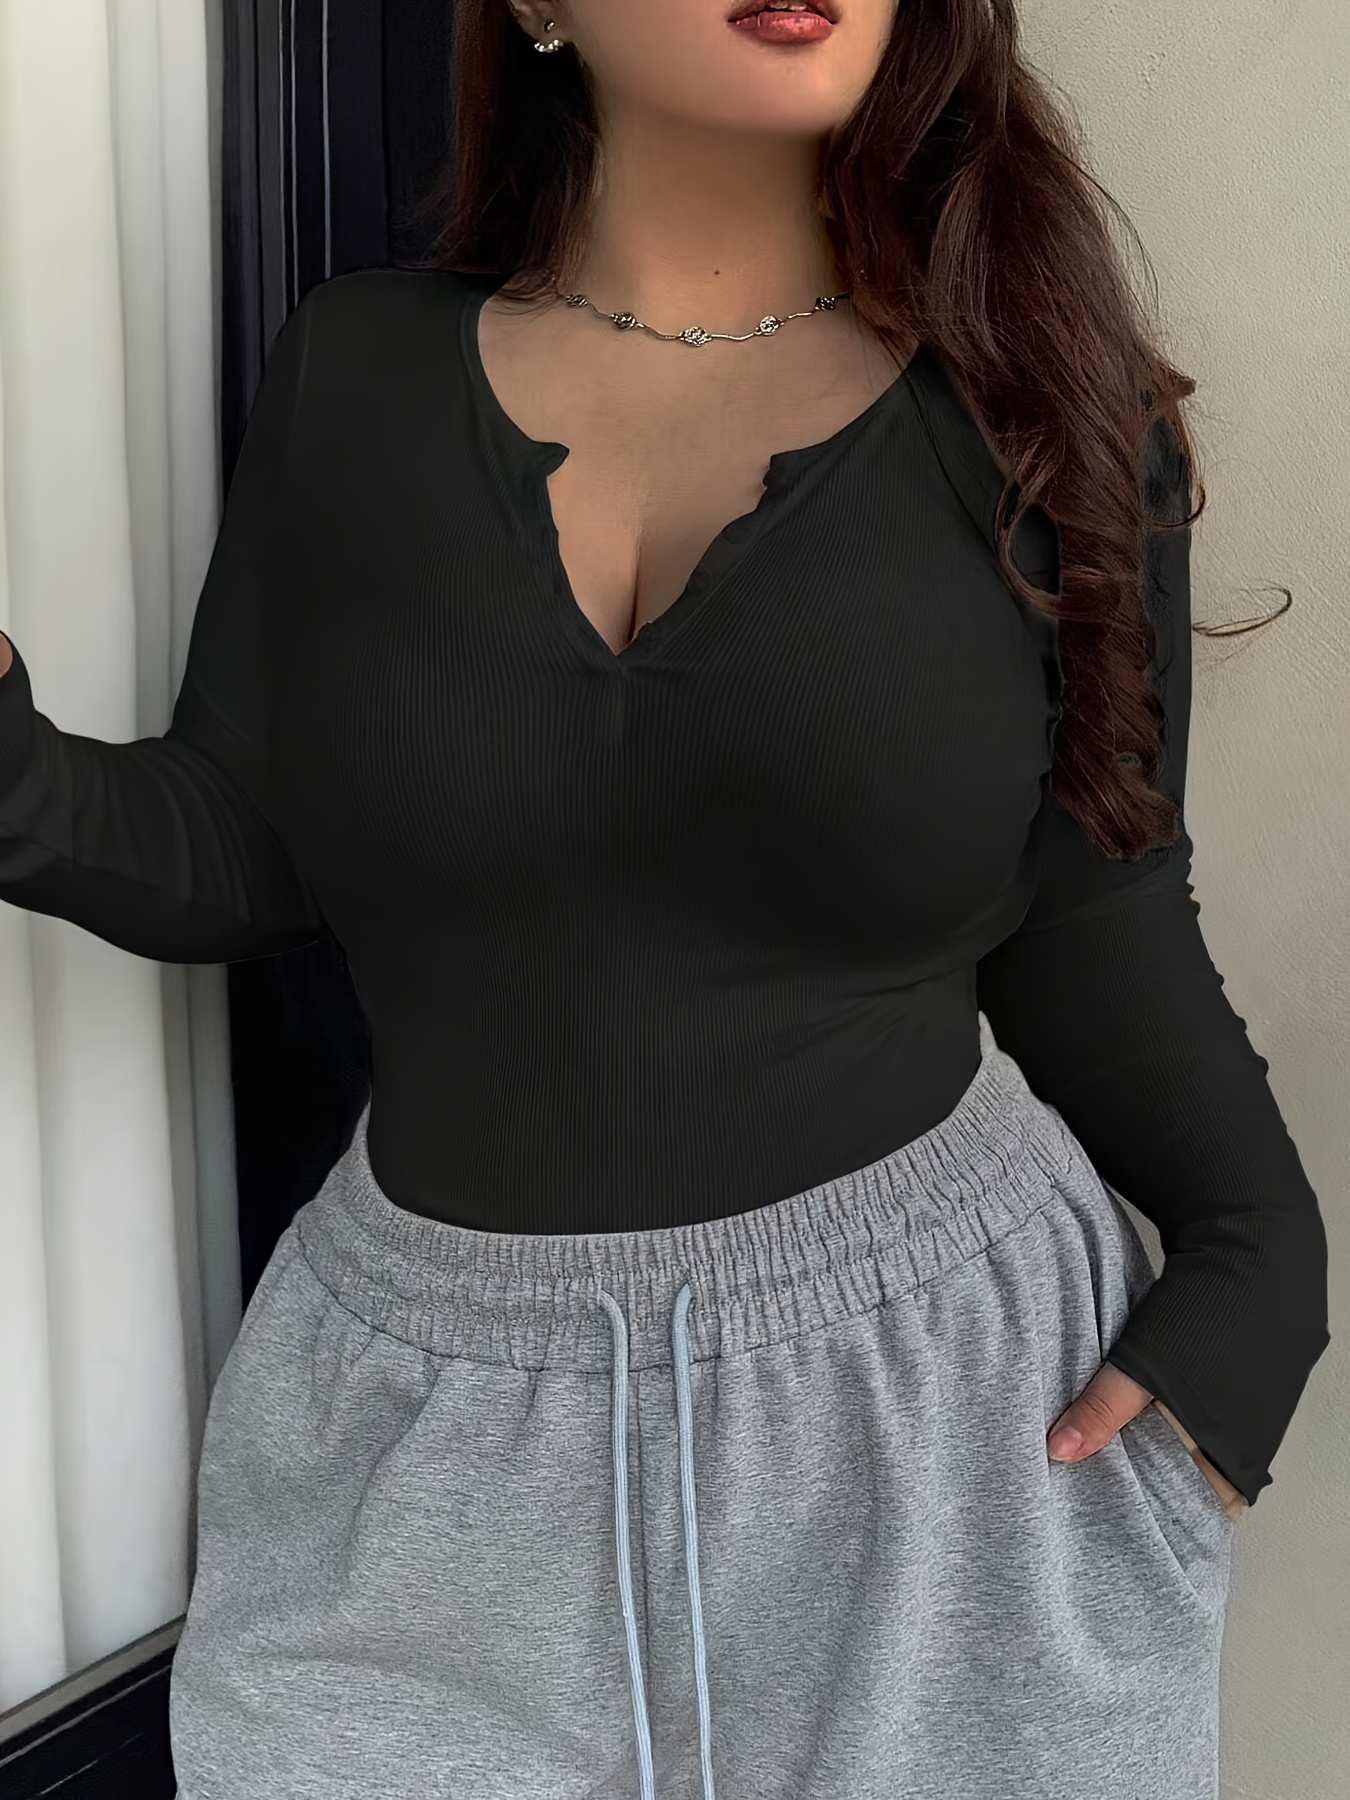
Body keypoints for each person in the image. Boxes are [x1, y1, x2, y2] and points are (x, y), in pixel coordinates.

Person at [0, 1, 1330, 1796]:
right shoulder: (354, 376)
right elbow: (249, 840)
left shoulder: (1036, 406)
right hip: (426, 1455)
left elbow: (1100, 907)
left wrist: (1260, 1270)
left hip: (953, 1438)